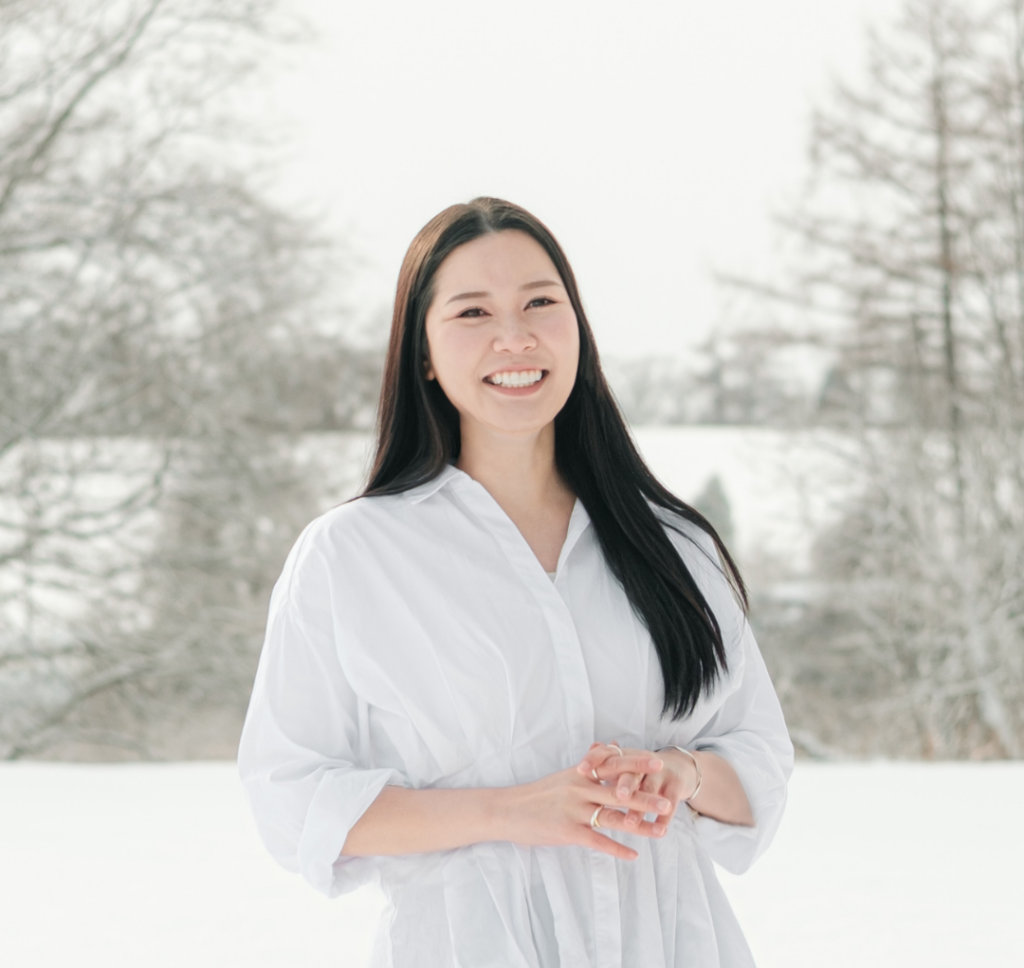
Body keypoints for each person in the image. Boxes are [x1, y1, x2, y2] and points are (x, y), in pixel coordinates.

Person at [238, 197, 793, 968]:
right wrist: (509, 811)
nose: (516, 337)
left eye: (540, 303)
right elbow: (291, 796)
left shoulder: (674, 546)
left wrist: (680, 775)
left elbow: (759, 762)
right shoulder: (353, 556)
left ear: (577, 328)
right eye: (473, 312)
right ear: (424, 353)